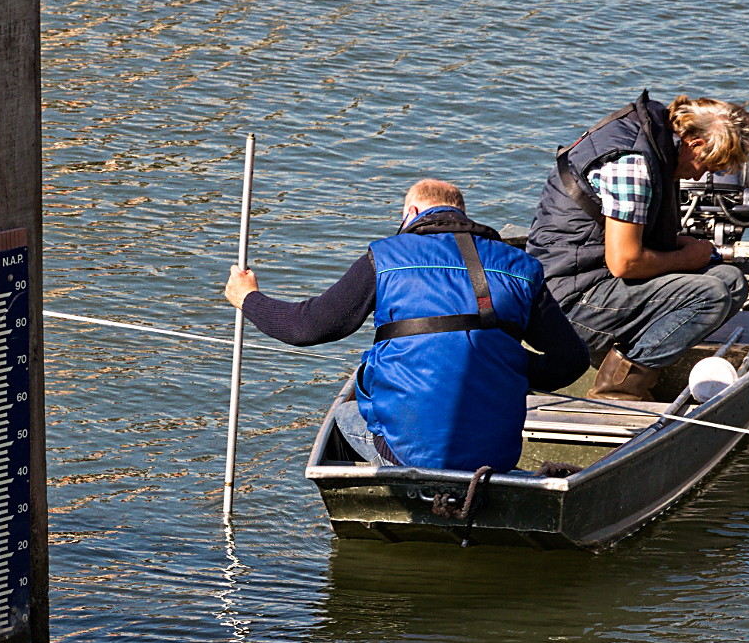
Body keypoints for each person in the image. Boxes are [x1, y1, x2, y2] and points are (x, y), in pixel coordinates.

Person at [223, 179, 588, 472]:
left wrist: (248, 298)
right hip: (495, 457)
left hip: (407, 455)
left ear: (411, 212)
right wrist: (509, 369)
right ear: (460, 212)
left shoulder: (386, 255)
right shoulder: (520, 266)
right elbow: (572, 359)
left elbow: (307, 328)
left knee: (345, 413)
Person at [527, 91, 749, 401]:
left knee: (730, 282)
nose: (703, 175)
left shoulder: (653, 139)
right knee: (711, 295)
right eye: (708, 166)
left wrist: (681, 247)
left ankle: (622, 359)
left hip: (589, 276)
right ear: (695, 144)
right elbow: (624, 262)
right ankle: (618, 390)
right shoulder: (633, 163)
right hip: (564, 302)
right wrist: (686, 257)